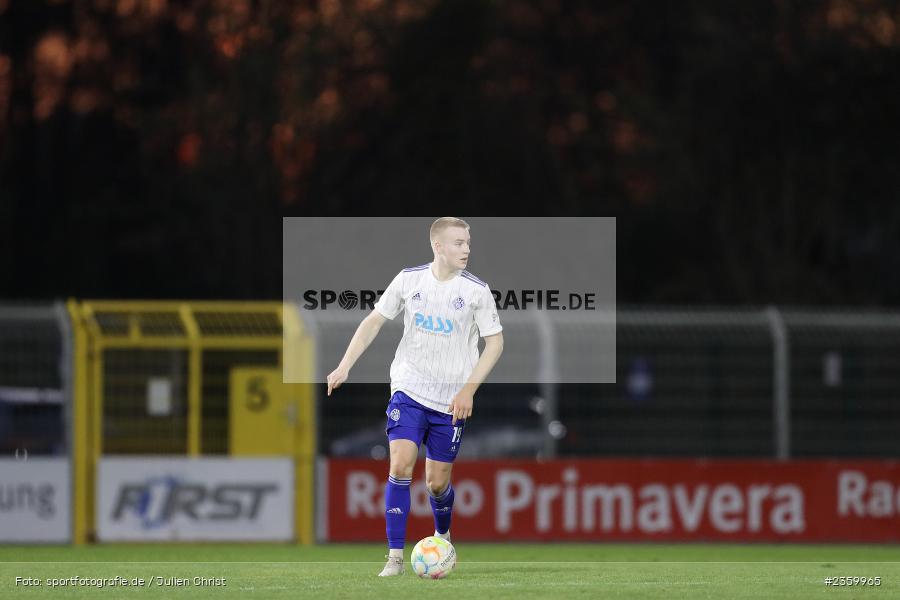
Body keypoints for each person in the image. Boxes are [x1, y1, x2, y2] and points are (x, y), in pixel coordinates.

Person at [326, 217, 504, 576]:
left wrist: (468, 389)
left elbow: (495, 343)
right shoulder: (409, 280)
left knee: (437, 483)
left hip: (450, 400)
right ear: (438, 246)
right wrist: (344, 365)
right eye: (458, 242)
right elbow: (374, 320)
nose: (466, 249)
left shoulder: (476, 291)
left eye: (467, 242)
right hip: (408, 389)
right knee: (400, 464)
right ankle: (394, 558)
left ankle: (442, 534)